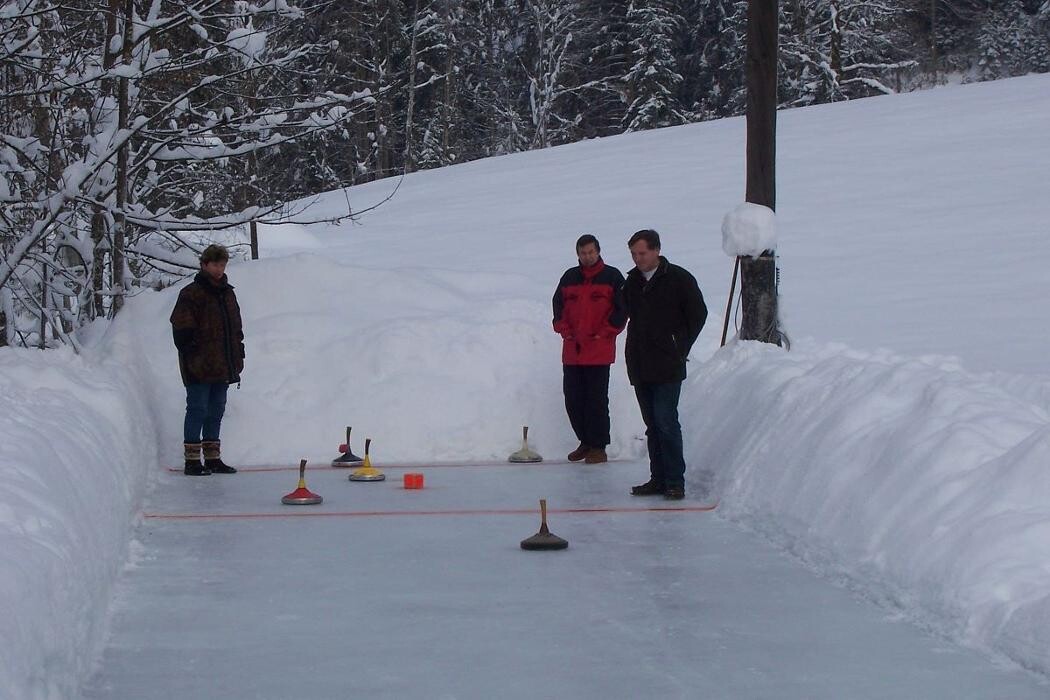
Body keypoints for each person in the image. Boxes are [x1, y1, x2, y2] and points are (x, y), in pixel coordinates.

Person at [623, 230, 707, 500]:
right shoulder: (632, 282)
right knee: (652, 425)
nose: (638, 259)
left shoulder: (679, 279)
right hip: (640, 364)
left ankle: (674, 481)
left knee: (666, 422)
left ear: (657, 250)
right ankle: (657, 478)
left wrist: (679, 345)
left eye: (642, 253)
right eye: (634, 254)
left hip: (668, 365)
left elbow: (698, 314)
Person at [170, 244, 245, 476]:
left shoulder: (228, 293)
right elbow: (181, 329)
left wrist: (238, 353)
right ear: (204, 265)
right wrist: (193, 353)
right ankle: (192, 460)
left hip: (223, 365)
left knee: (216, 409)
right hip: (198, 365)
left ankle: (213, 457)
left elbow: (236, 328)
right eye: (214, 265)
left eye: (222, 265)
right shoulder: (191, 293)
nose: (219, 269)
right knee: (197, 409)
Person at [552, 234, 627, 464]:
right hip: (573, 351)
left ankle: (598, 446)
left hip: (598, 351)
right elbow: (558, 305)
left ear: (598, 251)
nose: (587, 256)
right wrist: (564, 329)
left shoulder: (612, 277)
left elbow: (621, 309)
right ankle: (585, 441)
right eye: (583, 253)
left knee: (596, 399)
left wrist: (605, 332)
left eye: (591, 252)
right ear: (578, 254)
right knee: (573, 399)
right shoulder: (569, 277)